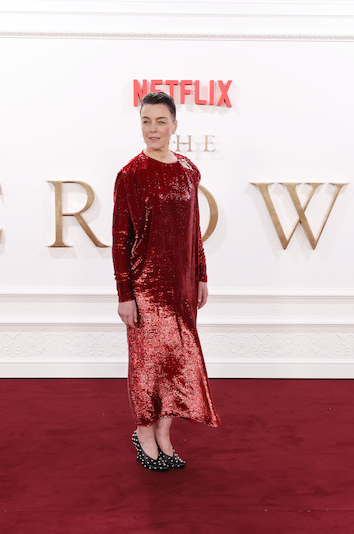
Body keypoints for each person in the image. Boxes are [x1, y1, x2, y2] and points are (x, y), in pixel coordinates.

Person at [112, 91, 220, 472]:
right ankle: (144, 431)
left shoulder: (189, 170)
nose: (152, 129)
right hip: (146, 286)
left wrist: (201, 275)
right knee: (148, 363)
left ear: (174, 125)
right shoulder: (131, 173)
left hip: (183, 285)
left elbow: (195, 230)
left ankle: (164, 433)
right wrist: (125, 294)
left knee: (177, 362)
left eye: (160, 121)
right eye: (146, 121)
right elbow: (120, 239)